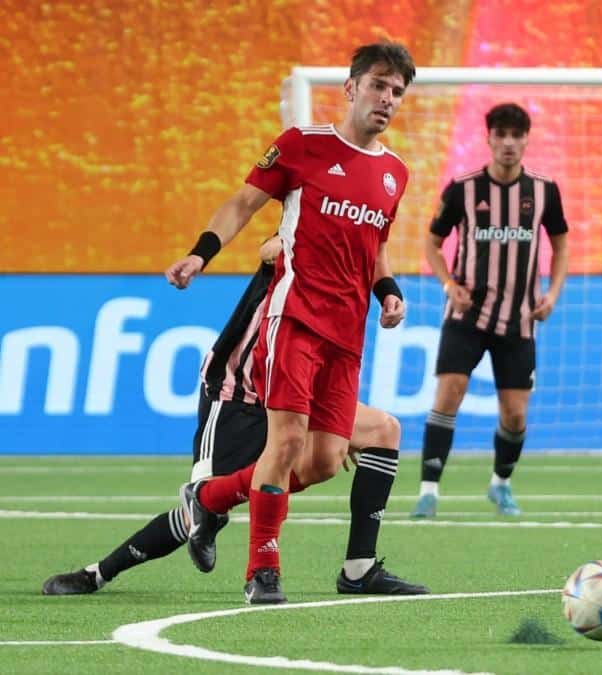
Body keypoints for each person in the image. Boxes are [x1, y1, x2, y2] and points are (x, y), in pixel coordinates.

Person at [164, 41, 415, 604]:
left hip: (348, 335)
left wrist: (389, 292)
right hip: (295, 317)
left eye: (397, 91)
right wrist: (201, 254)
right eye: (378, 85)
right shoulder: (302, 145)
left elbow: (374, 248)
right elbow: (242, 204)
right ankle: (262, 571)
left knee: (323, 461)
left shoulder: (395, 174)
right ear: (351, 88)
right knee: (288, 438)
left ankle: (208, 500)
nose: (387, 98)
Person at [43, 240, 427, 597]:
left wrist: (388, 291)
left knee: (382, 431)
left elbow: (372, 259)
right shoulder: (309, 223)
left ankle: (359, 569)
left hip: (295, 388)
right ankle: (98, 573)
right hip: (238, 395)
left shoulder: (355, 240)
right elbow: (270, 248)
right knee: (196, 517)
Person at [409, 103, 569, 519]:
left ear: (526, 140)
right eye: (502, 135)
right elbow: (432, 243)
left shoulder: (544, 191)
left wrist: (552, 293)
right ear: (489, 139)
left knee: (515, 414)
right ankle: (428, 492)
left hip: (519, 318)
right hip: (467, 315)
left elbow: (561, 243)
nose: (509, 143)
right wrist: (449, 285)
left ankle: (500, 484)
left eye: (517, 135)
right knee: (449, 393)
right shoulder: (462, 189)